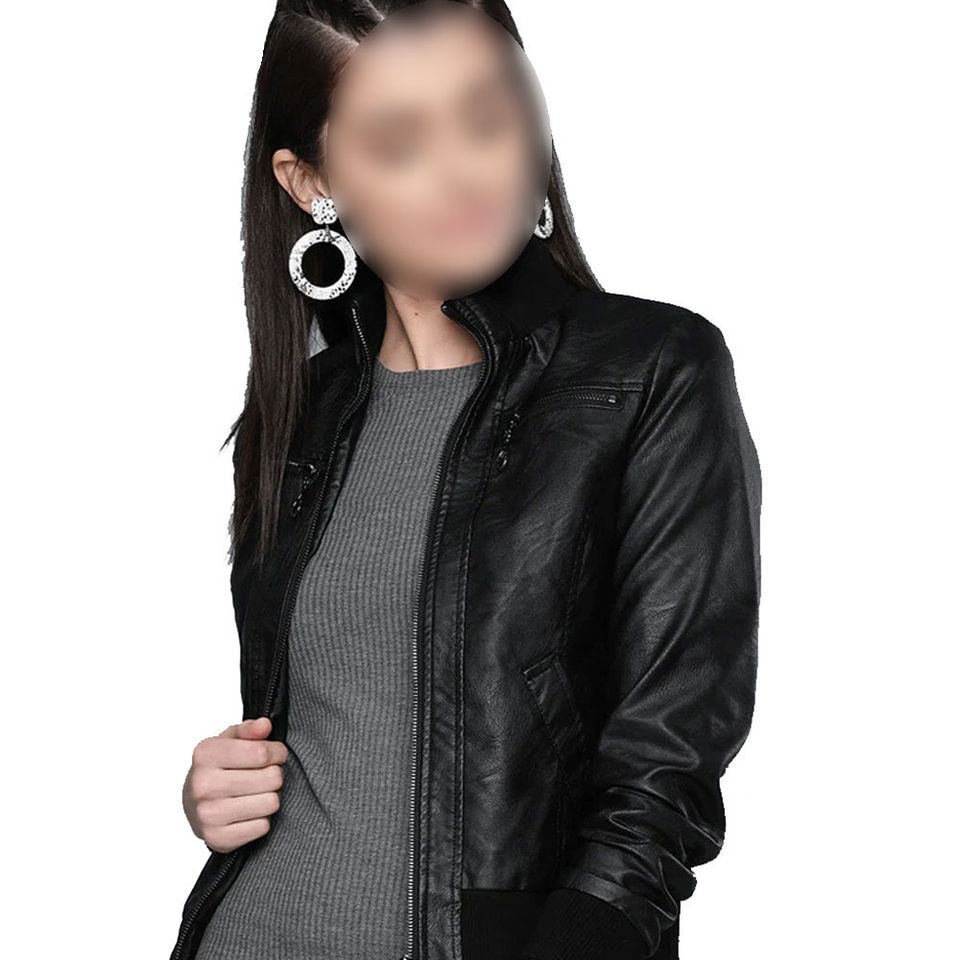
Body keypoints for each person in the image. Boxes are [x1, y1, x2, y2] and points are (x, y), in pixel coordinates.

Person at [170, 3, 762, 960]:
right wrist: (220, 790)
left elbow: (667, 774)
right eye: (402, 145)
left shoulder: (651, 373)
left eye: (487, 119)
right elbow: (338, 724)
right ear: (313, 182)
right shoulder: (300, 416)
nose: (465, 174)